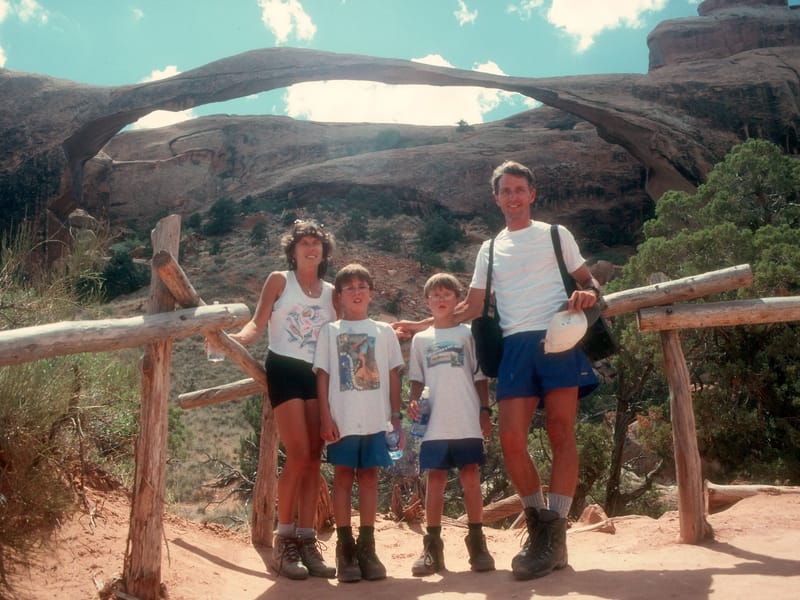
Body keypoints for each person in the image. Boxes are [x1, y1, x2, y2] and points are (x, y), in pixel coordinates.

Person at [393, 160, 600, 581]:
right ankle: (539, 524)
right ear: (497, 198)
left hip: (558, 337)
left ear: (532, 194)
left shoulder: (556, 235)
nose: (513, 197)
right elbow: (469, 306)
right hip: (514, 346)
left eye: (519, 189)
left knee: (562, 432)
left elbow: (590, 282)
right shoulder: (489, 248)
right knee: (510, 439)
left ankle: (553, 536)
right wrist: (420, 325)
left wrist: (587, 294)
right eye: (505, 191)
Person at [227, 219, 337, 580]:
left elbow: (344, 332)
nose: (311, 248)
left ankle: (307, 540)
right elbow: (258, 324)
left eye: (316, 243)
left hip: (318, 375)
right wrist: (234, 341)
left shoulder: (330, 292)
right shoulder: (280, 280)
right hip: (286, 369)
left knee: (314, 459)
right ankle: (284, 539)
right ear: (292, 250)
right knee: (299, 454)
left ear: (324, 251)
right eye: (304, 242)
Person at [314, 263, 404, 583]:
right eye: (349, 287)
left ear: (371, 293)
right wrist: (326, 416)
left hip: (375, 419)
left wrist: (395, 417)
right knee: (342, 478)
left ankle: (368, 546)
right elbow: (323, 376)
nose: (356, 292)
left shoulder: (384, 331)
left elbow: (394, 376)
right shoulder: (330, 331)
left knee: (369, 477)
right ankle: (344, 546)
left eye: (361, 286)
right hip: (342, 419)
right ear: (338, 296)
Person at [407, 272, 495, 576]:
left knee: (471, 476)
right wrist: (413, 401)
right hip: (434, 422)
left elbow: (479, 376)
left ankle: (477, 543)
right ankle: (432, 548)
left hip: (466, 416)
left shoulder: (468, 335)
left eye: (447, 294)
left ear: (457, 299)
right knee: (436, 480)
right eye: (435, 295)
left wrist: (485, 410)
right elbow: (417, 379)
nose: (441, 299)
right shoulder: (421, 339)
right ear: (427, 301)